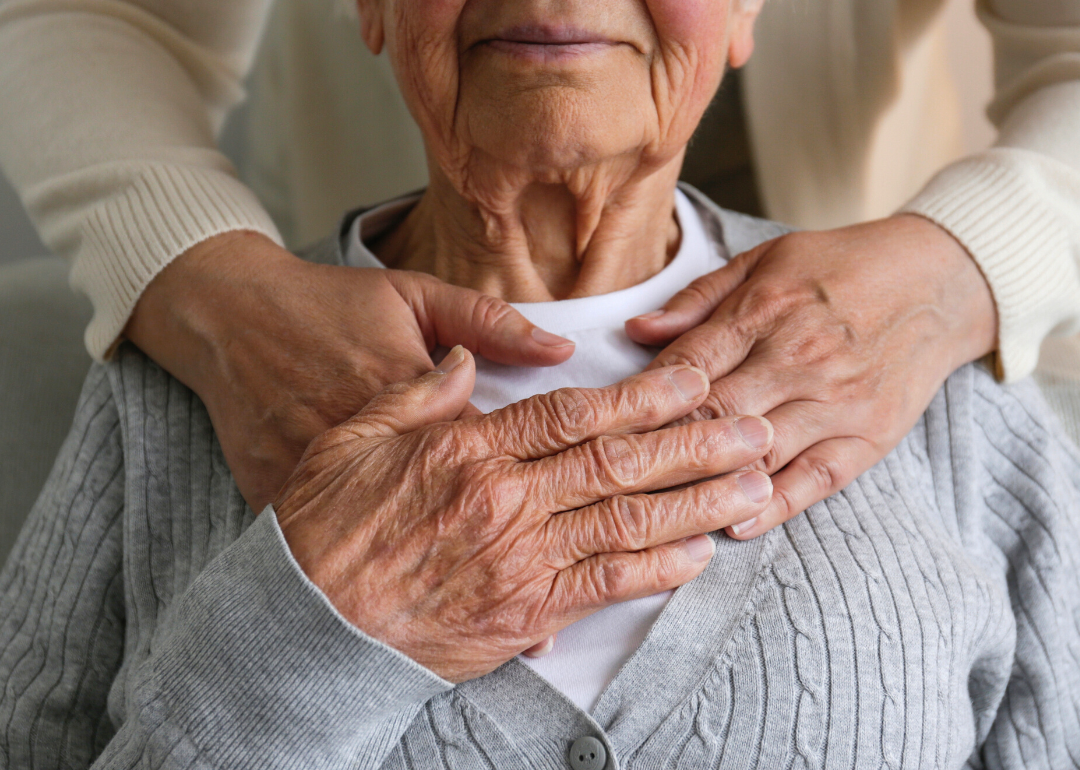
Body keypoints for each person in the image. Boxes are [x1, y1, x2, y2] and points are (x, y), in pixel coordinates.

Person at [3, 0, 1079, 766]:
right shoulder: (189, 383)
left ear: (751, 13)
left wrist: (965, 267)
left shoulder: (941, 392)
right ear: (366, 8)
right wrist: (314, 629)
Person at [1, 0, 1076, 537]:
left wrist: (962, 265)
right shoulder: (175, 411)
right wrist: (211, 287)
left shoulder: (962, 434)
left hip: (873, 309)